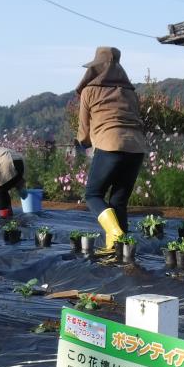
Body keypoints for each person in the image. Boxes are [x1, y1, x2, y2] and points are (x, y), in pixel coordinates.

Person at [76, 46, 147, 254]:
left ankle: (115, 235)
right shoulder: (130, 92)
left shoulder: (89, 91)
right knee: (119, 201)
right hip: (136, 147)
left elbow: (83, 131)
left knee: (93, 194)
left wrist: (84, 142)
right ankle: (119, 251)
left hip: (109, 144)